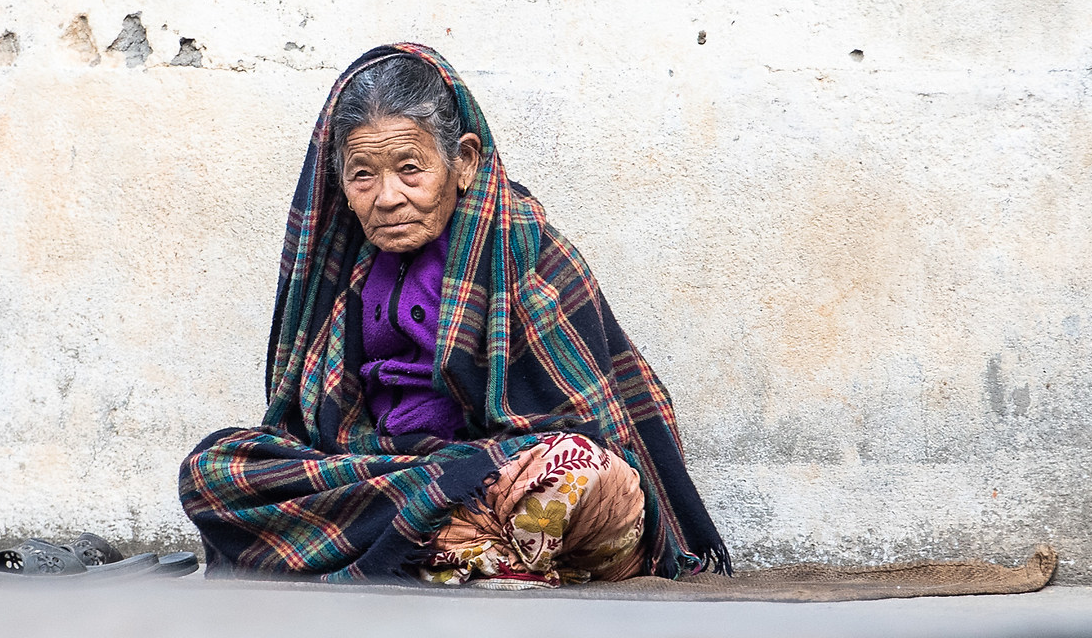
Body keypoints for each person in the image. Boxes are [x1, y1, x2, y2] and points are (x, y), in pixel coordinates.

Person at [179, 43, 729, 584]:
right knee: (213, 470)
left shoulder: (524, 250)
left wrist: (496, 469)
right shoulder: (339, 273)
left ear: (462, 162)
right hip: (387, 471)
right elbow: (309, 429)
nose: (387, 197)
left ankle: (431, 546)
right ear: (339, 181)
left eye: (410, 169)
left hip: (498, 471)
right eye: (363, 174)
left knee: (582, 473)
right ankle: (465, 549)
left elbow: (591, 426)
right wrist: (412, 478)